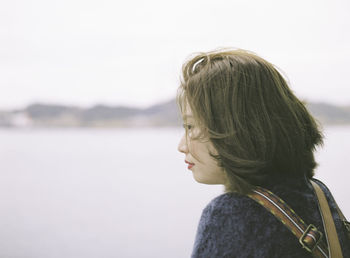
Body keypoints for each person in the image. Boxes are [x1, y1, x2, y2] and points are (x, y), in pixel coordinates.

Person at [176, 49, 350, 258]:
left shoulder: (231, 214)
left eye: (190, 127)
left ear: (235, 130)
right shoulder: (318, 194)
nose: (182, 145)